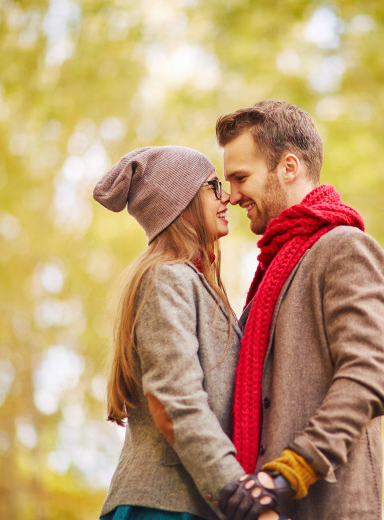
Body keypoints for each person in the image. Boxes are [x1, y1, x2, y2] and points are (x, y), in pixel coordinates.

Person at [213, 100, 384, 520]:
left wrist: (286, 474)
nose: (233, 195)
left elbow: (370, 376)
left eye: (241, 178)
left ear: (289, 167)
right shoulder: (273, 267)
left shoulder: (346, 249)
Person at [94, 146, 266, 520]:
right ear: (181, 203)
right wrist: (238, 492)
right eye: (212, 186)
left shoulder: (192, 282)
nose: (227, 197)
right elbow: (175, 403)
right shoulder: (166, 279)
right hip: (163, 506)